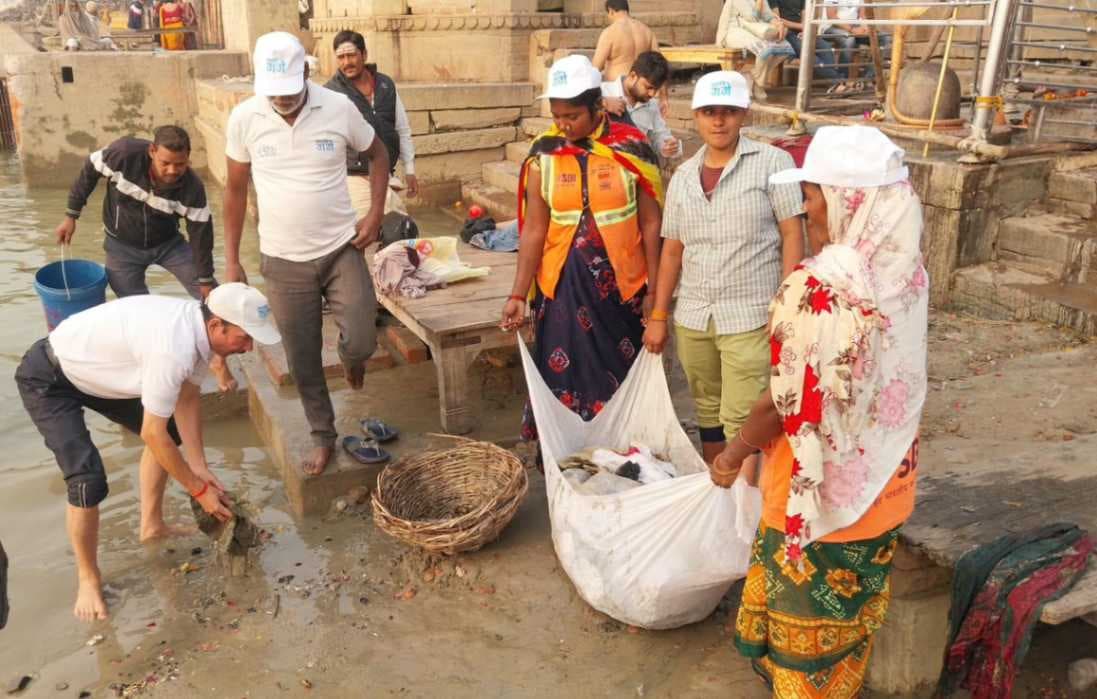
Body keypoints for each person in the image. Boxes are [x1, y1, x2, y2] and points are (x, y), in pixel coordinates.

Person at [718, 126, 927, 698]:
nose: (805, 208)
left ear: (847, 202)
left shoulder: (820, 290)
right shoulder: (905, 274)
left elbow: (782, 404)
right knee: (850, 633)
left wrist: (735, 452)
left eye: (812, 194)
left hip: (817, 507)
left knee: (802, 656)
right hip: (887, 488)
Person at [14, 283, 280, 621]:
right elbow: (151, 434)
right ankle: (88, 578)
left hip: (98, 371)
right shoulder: (174, 347)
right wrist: (198, 491)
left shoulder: (198, 332)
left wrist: (198, 465)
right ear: (217, 325)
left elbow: (186, 398)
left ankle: (152, 526)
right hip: (49, 377)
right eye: (244, 337)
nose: (249, 347)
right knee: (87, 478)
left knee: (169, 430)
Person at [223, 32, 391, 476]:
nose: (281, 99)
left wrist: (375, 212)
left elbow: (378, 154)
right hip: (282, 260)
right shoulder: (244, 117)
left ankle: (353, 359)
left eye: (289, 89)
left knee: (362, 335)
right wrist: (231, 258)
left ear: (305, 73)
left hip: (341, 248)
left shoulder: (337, 107)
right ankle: (323, 436)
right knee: (301, 357)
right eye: (272, 91)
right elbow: (235, 190)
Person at [643, 71, 803, 467]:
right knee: (708, 411)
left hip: (749, 315)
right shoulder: (682, 177)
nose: (719, 121)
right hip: (695, 317)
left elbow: (793, 236)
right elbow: (672, 253)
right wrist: (660, 315)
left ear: (743, 114)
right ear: (695, 116)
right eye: (709, 112)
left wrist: (789, 304)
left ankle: (747, 509)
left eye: (728, 112)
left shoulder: (772, 163)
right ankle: (719, 495)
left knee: (744, 416)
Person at [500, 55, 664, 441]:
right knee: (564, 380)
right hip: (562, 292)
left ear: (597, 106)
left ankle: (624, 456)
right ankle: (567, 455)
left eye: (572, 115)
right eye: (557, 115)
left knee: (620, 383)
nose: (563, 124)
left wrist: (655, 293)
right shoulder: (545, 155)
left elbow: (653, 223)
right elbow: (535, 229)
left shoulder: (632, 149)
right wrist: (518, 293)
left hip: (621, 294)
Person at [55, 126, 238, 392]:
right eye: (166, 163)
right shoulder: (123, 155)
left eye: (181, 164)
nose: (173, 170)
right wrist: (71, 214)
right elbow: (89, 170)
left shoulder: (192, 189)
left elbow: (201, 236)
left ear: (189, 158)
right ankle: (154, 365)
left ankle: (219, 359)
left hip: (168, 244)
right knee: (137, 311)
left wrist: (206, 279)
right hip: (121, 247)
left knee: (215, 299)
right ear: (152, 151)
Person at [325, 30, 417, 216]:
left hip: (385, 174)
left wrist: (410, 169)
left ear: (364, 55)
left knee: (398, 228)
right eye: (341, 57)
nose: (346, 62)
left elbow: (401, 128)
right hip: (353, 177)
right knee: (381, 226)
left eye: (351, 55)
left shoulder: (385, 85)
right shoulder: (331, 93)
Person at [601, 51, 683, 164]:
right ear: (633, 76)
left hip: (635, 171)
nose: (652, 94)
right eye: (648, 87)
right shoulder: (602, 92)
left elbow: (659, 136)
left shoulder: (652, 105)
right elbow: (572, 108)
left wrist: (666, 146)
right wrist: (602, 103)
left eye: (656, 89)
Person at [715, 0, 796, 100]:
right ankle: (760, 85)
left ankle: (755, 78)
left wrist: (778, 24)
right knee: (766, 49)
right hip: (734, 31)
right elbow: (751, 18)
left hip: (754, 30)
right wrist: (759, 2)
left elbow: (768, 16)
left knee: (784, 48)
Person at [770, 0, 842, 87]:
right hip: (785, 32)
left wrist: (804, 30)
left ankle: (834, 84)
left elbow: (805, 18)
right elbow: (777, 20)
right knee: (809, 54)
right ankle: (839, 82)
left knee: (826, 47)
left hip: (801, 31)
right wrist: (801, 26)